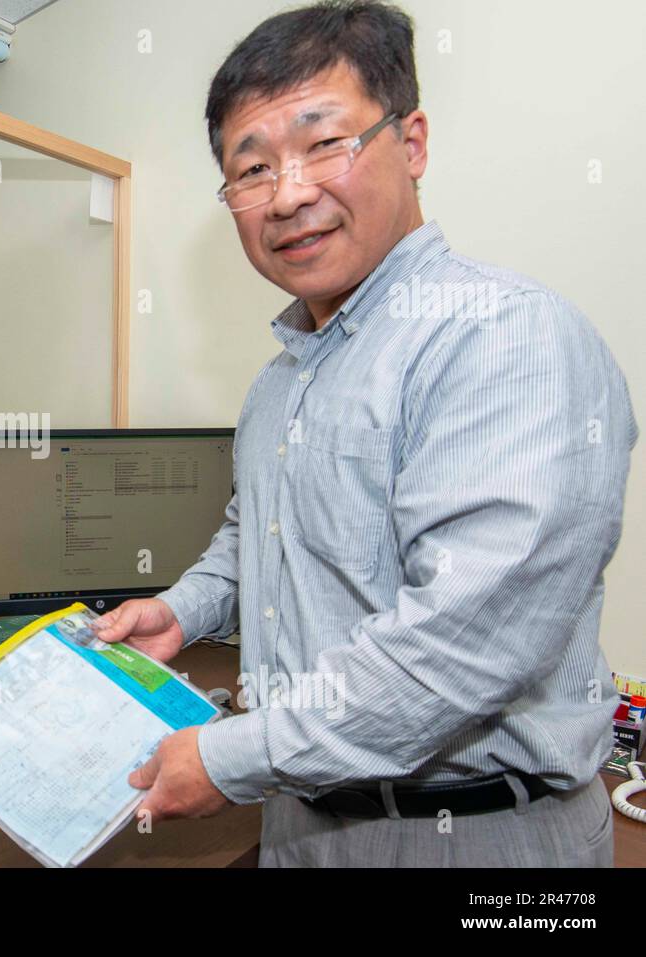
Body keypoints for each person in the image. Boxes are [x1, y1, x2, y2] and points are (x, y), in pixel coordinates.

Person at [92, 0, 635, 867]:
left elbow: (459, 648)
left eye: (323, 143)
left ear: (411, 142)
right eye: (253, 168)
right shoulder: (282, 381)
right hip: (304, 818)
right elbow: (255, 536)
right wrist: (178, 610)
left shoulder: (506, 338)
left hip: (475, 837)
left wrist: (231, 759)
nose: (290, 193)